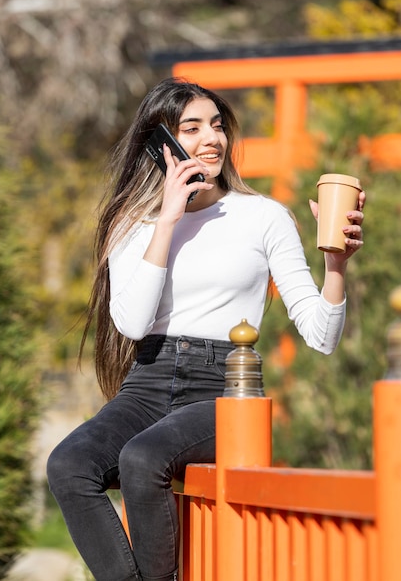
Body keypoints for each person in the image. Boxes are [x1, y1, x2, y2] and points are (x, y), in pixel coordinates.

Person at [47, 76, 365, 581]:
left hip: (223, 387)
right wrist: (168, 219)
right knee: (68, 465)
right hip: (146, 383)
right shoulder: (133, 223)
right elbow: (131, 323)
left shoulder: (262, 217)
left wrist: (336, 265)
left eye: (216, 126)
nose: (210, 139)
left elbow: (321, 336)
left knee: (142, 459)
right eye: (191, 128)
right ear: (161, 142)